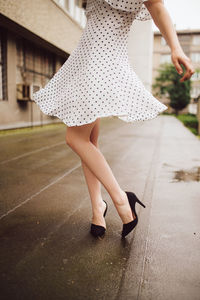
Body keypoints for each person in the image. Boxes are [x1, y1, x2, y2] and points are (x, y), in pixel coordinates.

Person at [32, 0, 195, 239]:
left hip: (103, 63)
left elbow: (156, 4)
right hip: (85, 59)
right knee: (89, 141)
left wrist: (175, 47)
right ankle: (98, 208)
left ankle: (121, 199)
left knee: (75, 138)